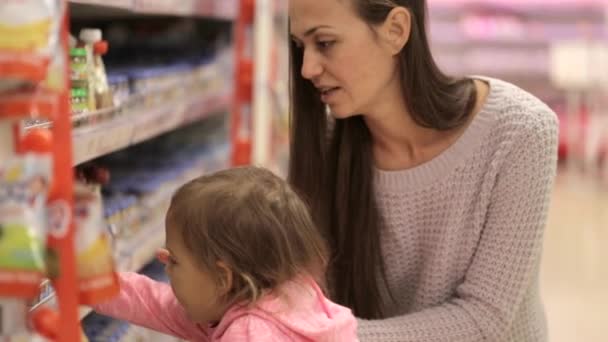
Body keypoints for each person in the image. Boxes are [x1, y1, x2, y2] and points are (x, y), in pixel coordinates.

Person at [288, 1, 558, 341]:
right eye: (300, 47)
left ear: (396, 30)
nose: (307, 68)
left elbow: (484, 320)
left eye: (325, 43)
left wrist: (325, 336)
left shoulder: (520, 131)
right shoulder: (326, 149)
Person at [93, 167, 358, 341]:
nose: (166, 266)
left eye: (174, 260)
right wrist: (87, 280)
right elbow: (153, 302)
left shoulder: (249, 333)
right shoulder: (289, 296)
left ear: (223, 277)